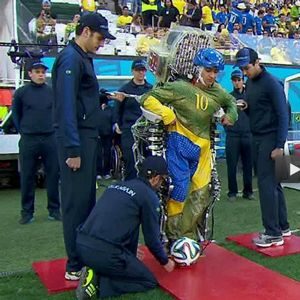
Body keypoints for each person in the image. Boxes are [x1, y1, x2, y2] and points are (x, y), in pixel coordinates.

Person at [140, 48, 238, 242]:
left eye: (215, 71)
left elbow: (232, 102)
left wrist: (231, 115)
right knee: (179, 190)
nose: (212, 75)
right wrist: (165, 113)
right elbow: (147, 98)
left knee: (201, 193)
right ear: (198, 68)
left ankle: (187, 237)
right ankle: (172, 237)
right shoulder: (180, 88)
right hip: (178, 143)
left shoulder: (218, 91)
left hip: (202, 150)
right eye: (209, 70)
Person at [52, 12, 116, 280]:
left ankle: (84, 256)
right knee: (76, 203)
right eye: (100, 37)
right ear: (86, 31)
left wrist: (102, 97)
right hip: (77, 139)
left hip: (86, 137)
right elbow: (66, 107)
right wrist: (72, 149)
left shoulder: (80, 58)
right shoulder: (70, 59)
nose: (102, 43)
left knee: (87, 201)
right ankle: (74, 264)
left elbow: (80, 98)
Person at [75, 156, 175, 299]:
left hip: (82, 245)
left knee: (122, 261)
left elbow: (122, 222)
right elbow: (151, 239)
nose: (162, 184)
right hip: (105, 253)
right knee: (148, 281)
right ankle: (100, 284)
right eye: (162, 179)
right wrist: (165, 261)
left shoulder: (117, 185)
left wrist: (130, 251)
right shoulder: (149, 197)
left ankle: (94, 269)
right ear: (155, 178)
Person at [234, 47, 291, 248]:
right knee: (275, 185)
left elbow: (284, 114)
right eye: (242, 69)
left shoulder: (272, 83)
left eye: (247, 67)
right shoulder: (250, 82)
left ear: (257, 62)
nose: (245, 72)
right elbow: (254, 109)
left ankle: (273, 233)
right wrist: (245, 107)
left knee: (267, 185)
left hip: (271, 138)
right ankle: (283, 227)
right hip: (258, 136)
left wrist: (279, 145)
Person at [12, 61, 60, 225]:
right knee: (27, 176)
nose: (41, 74)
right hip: (29, 138)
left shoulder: (52, 92)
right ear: (30, 74)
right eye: (37, 71)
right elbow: (16, 115)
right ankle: (27, 212)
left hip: (50, 137)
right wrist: (24, 130)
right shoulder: (21, 92)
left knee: (53, 175)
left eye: (42, 72)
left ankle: (54, 210)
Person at [113, 59, 153, 180]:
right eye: (138, 70)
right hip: (129, 129)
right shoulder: (124, 89)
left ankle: (147, 186)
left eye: (143, 70)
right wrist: (118, 124)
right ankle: (130, 186)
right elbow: (117, 108)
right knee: (130, 159)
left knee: (148, 159)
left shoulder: (151, 89)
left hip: (147, 129)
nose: (140, 73)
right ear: (132, 71)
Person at [225, 69, 253, 202]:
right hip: (233, 136)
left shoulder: (250, 96)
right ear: (232, 81)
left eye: (239, 80)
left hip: (248, 135)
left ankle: (248, 191)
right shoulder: (228, 98)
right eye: (234, 80)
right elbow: (223, 116)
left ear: (243, 80)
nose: (237, 83)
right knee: (232, 165)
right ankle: (232, 192)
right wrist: (228, 128)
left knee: (248, 165)